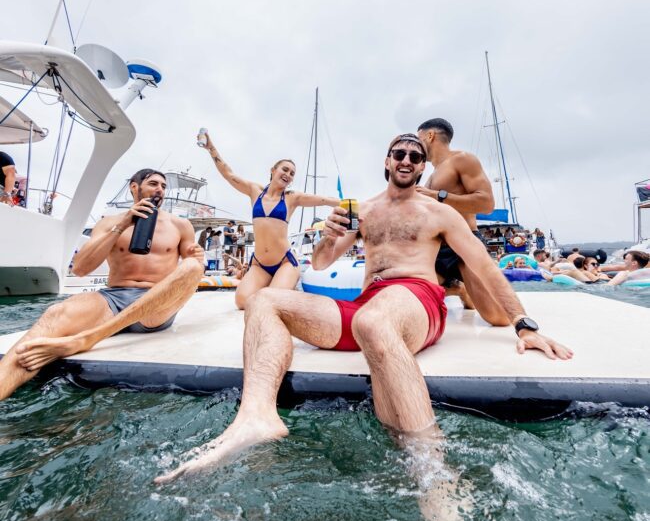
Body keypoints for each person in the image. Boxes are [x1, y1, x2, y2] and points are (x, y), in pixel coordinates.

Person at [156, 133, 572, 484]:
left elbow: (483, 266)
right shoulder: (364, 210)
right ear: (387, 161)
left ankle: (434, 472)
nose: (407, 159)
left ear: (423, 167)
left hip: (417, 300)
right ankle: (256, 417)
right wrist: (327, 237)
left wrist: (524, 324)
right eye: (399, 153)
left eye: (416, 156)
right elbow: (320, 263)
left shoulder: (439, 212)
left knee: (374, 321)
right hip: (367, 304)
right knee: (265, 301)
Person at [0, 169, 205, 401]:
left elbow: (193, 269)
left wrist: (196, 255)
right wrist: (123, 224)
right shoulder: (110, 222)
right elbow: (80, 269)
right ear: (134, 187)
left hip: (155, 305)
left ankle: (87, 338)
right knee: (56, 314)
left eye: (163, 186)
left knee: (192, 268)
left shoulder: (180, 225)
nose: (160, 189)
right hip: (113, 298)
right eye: (153, 184)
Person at [200, 130, 339, 309]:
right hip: (260, 264)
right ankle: (276, 286)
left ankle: (285, 283)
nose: (288, 174)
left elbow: (324, 200)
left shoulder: (291, 198)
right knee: (241, 302)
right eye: (285, 169)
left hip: (285, 262)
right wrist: (211, 148)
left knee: (270, 302)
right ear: (273, 171)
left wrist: (351, 205)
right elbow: (229, 175)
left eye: (292, 173)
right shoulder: (254, 191)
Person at [416, 118, 511, 325]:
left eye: (418, 138)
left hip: (463, 242)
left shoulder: (462, 160)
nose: (416, 143)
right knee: (413, 301)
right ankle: (456, 288)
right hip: (435, 248)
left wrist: (436, 196)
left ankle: (462, 288)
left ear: (429, 136)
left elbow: (486, 204)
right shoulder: (431, 175)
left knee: (498, 317)